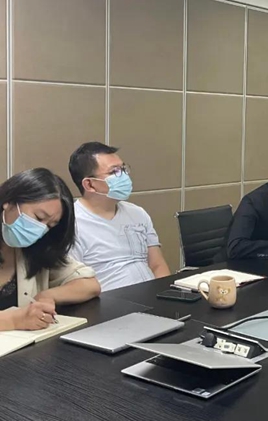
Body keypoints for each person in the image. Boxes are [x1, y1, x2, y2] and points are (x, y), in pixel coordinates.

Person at [0, 168, 100, 331]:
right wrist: (13, 320)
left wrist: (47, 295)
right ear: (9, 202)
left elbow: (89, 284)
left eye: (49, 226)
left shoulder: (33, 249)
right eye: (38, 217)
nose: (40, 230)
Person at [68, 142, 171, 292]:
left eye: (123, 169)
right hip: (108, 302)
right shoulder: (71, 224)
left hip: (152, 296)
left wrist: (165, 295)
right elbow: (75, 284)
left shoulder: (137, 213)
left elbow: (157, 265)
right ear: (89, 184)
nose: (123, 176)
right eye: (114, 171)